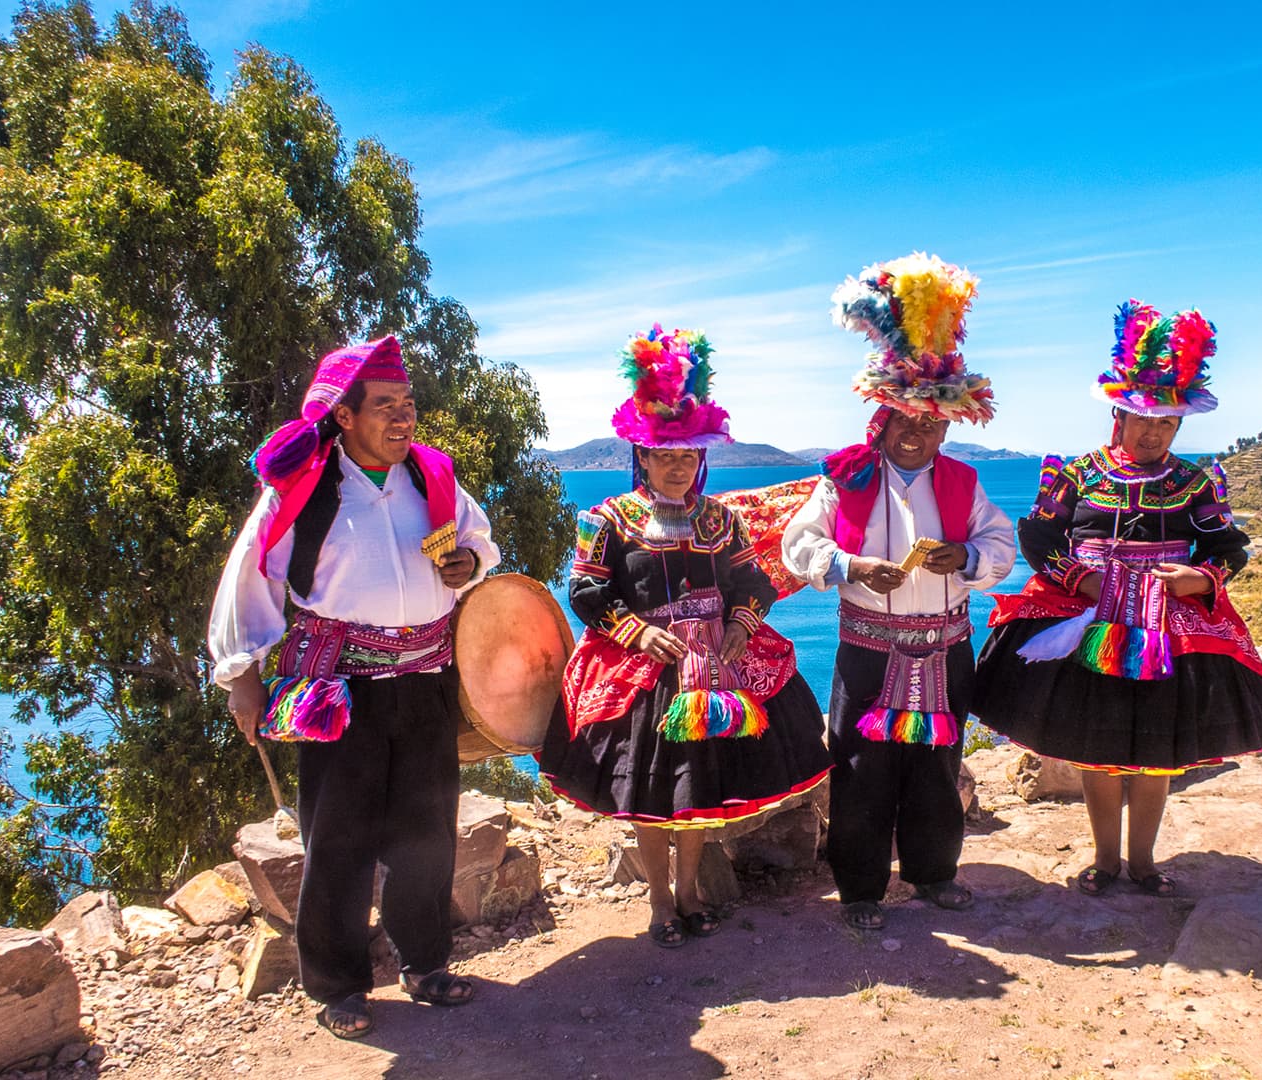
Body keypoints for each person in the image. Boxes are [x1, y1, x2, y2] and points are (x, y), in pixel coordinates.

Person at [208, 335, 500, 1039]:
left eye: (408, 404)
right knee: (338, 842)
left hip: (427, 681)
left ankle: (425, 964)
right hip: (339, 692)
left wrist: (470, 562)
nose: (404, 419)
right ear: (343, 416)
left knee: (427, 834)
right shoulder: (306, 489)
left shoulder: (432, 479)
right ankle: (338, 985)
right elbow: (248, 579)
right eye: (385, 407)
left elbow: (481, 544)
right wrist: (240, 674)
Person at [537, 325, 831, 949]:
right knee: (651, 795)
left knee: (695, 792)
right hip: (646, 674)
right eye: (664, 455)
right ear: (642, 456)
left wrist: (739, 624)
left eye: (688, 456)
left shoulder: (723, 520)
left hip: (715, 673)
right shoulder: (606, 520)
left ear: (702, 458)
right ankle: (658, 903)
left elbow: (757, 584)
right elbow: (586, 592)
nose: (676, 466)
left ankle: (693, 893)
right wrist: (635, 632)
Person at [974, 300, 1262, 897]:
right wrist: (1079, 580)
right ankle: (1105, 860)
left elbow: (1228, 549)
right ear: (1118, 416)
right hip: (1087, 618)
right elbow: (1038, 536)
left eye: (1166, 424)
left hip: (1167, 627)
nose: (1153, 432)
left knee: (1157, 750)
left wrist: (1201, 580)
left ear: (1178, 428)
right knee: (1098, 747)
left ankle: (1144, 863)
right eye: (1143, 420)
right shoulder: (1076, 475)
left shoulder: (1194, 483)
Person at [781, 253, 1015, 932]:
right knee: (860, 767)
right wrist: (851, 567)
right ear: (881, 419)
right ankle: (859, 889)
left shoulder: (964, 486)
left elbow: (1000, 548)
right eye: (905, 421)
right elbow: (799, 545)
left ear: (948, 424)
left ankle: (933, 873)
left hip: (944, 652)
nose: (917, 434)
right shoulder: (845, 480)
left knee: (937, 766)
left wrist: (963, 555)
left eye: (931, 424)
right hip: (867, 655)